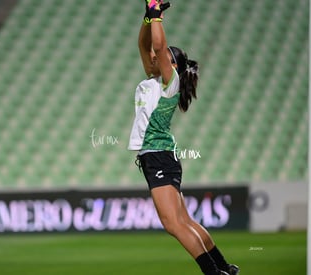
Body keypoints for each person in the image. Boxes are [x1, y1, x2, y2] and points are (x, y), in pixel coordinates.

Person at [128, 1, 240, 275]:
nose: (154, 58)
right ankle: (225, 268)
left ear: (171, 64)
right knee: (184, 221)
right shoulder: (155, 80)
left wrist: (157, 17)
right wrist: (147, 18)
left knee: (174, 224)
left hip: (158, 157)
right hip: (161, 157)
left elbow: (156, 44)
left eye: (162, 56)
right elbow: (144, 46)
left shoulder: (170, 82)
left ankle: (214, 273)